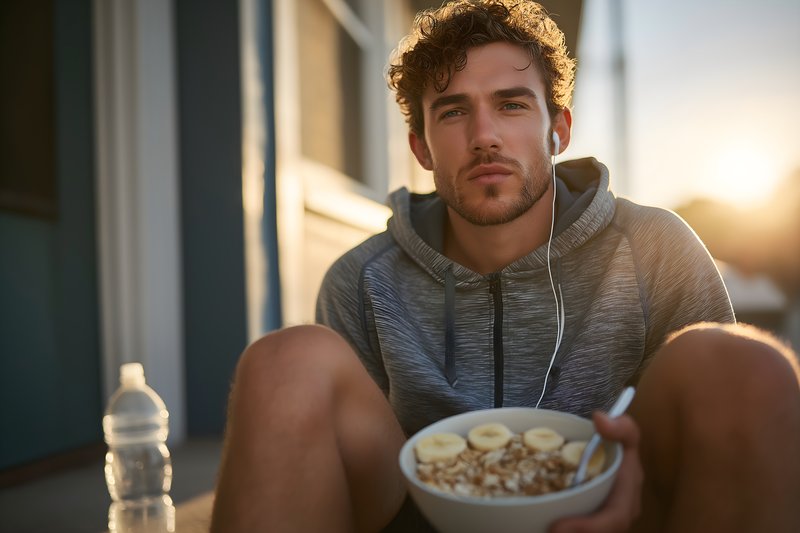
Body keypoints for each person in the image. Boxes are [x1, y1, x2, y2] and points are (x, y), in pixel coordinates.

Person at [210, 1, 800, 531]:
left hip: (618, 508)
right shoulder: (363, 280)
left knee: (744, 364)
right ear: (421, 148)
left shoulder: (656, 247)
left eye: (512, 105)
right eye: (452, 112)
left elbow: (722, 430)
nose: (484, 136)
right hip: (421, 517)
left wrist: (638, 471)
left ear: (558, 130)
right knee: (284, 362)